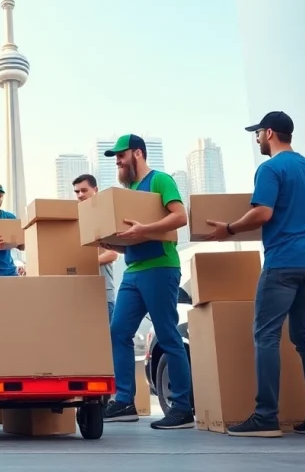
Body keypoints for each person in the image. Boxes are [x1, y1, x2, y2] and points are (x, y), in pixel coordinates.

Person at [204, 112, 305, 438]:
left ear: (271, 133)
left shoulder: (271, 169)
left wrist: (228, 229)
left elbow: (263, 212)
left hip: (283, 263)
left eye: (259, 132)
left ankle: (265, 417)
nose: (257, 138)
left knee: (266, 335)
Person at [99, 134, 194, 430]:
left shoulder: (159, 180)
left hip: (161, 267)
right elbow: (133, 240)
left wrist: (145, 230)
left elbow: (180, 217)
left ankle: (182, 408)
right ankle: (124, 401)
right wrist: (112, 243)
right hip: (133, 270)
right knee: (118, 331)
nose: (118, 161)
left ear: (138, 153)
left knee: (167, 335)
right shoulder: (129, 192)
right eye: (116, 157)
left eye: (121, 155)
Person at [72, 174, 119, 321]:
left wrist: (86, 264)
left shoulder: (104, 217)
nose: (80, 195)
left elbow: (113, 254)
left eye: (84, 190)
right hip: (81, 293)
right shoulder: (76, 220)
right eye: (77, 191)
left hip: (103, 294)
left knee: (107, 335)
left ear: (95, 189)